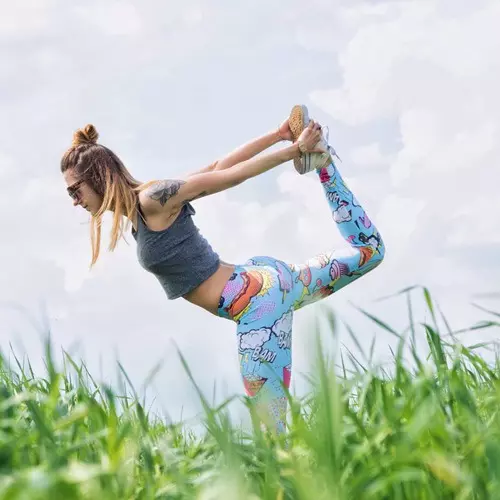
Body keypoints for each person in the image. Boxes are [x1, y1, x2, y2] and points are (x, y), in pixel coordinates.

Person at [61, 104, 385, 435]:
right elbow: (219, 165)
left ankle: (317, 157)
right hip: (266, 286)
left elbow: (228, 177)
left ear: (98, 178)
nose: (75, 200)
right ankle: (324, 164)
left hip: (258, 307)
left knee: (272, 435)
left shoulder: (152, 199)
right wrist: (278, 136)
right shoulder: (143, 209)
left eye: (76, 190)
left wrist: (294, 151)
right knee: (370, 252)